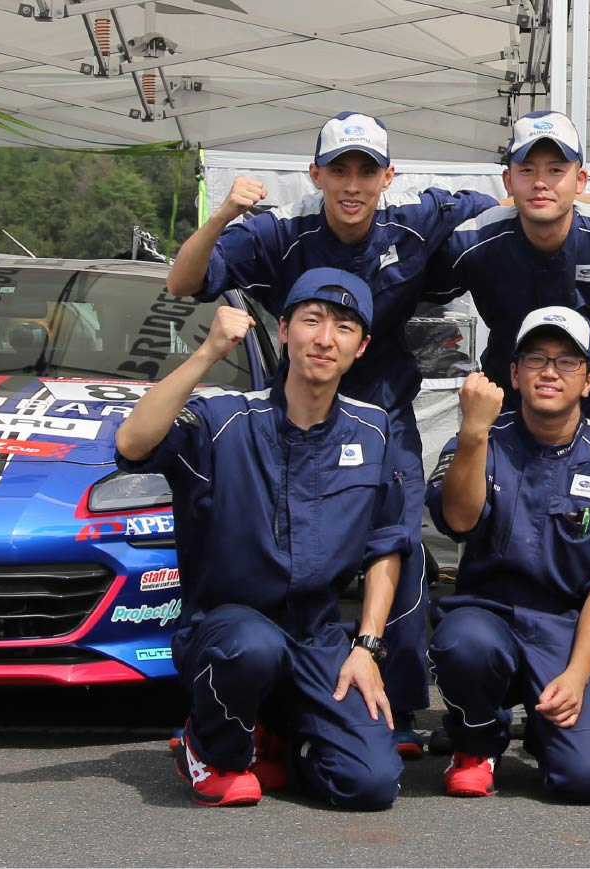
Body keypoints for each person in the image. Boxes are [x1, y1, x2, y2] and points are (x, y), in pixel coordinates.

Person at [165, 111, 590, 756]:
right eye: (339, 169)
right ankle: (245, 694)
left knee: (398, 546)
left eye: (367, 170)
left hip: (382, 414)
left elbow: (523, 196)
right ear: (316, 174)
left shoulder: (418, 221)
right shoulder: (281, 232)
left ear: (388, 177)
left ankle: (389, 707)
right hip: (299, 416)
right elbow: (183, 282)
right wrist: (223, 214)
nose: (353, 183)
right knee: (279, 547)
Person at [115, 268, 407, 808]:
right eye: (312, 321)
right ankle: (209, 749)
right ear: (283, 331)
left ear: (361, 347)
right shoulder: (225, 419)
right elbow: (133, 443)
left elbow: (386, 542)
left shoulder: (372, 431)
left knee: (370, 785)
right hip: (227, 628)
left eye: (344, 328)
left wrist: (366, 646)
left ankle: (277, 735)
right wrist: (205, 353)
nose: (325, 338)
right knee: (253, 647)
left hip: (317, 636)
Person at [424, 306, 590, 802]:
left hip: (570, 631)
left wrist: (577, 673)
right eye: (536, 359)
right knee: (463, 643)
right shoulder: (478, 439)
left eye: (567, 362)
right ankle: (477, 744)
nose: (549, 371)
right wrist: (473, 432)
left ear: (588, 381)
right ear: (514, 373)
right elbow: (457, 521)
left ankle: (555, 734)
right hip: (489, 618)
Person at [426, 110, 590, 445]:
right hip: (506, 396)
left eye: (556, 170)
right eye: (527, 170)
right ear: (508, 180)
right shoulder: (473, 243)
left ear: (581, 179)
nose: (540, 182)